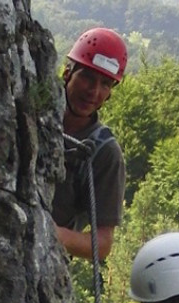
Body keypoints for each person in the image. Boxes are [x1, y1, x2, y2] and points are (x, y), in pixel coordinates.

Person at [53, 27, 128, 261]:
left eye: (105, 84)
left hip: (43, 257)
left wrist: (50, 232)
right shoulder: (31, 110)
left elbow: (103, 245)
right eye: (87, 77)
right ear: (68, 73)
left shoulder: (104, 153)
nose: (93, 91)